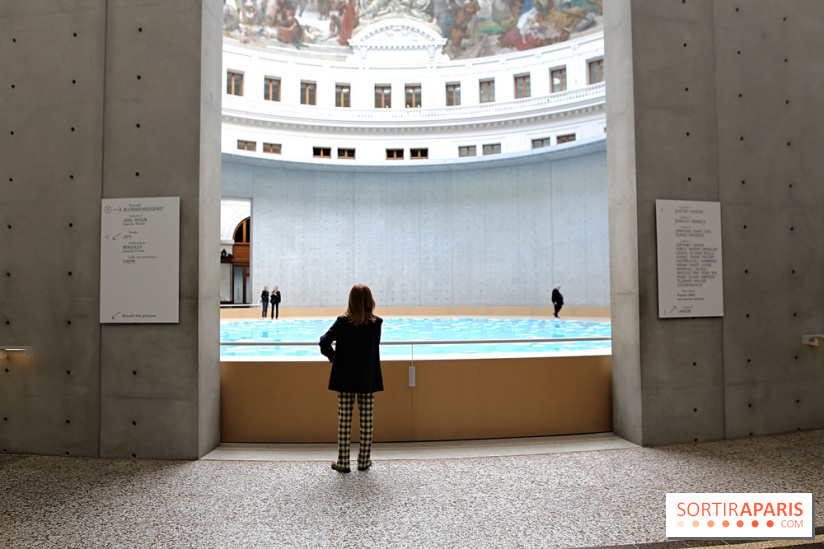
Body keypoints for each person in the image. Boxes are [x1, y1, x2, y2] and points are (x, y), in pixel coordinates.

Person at [319, 284, 383, 473]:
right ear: (370, 300)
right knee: (367, 420)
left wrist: (332, 356)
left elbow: (324, 341)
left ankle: (343, 462)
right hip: (368, 376)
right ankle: (363, 461)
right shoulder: (376, 323)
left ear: (351, 301)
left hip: (345, 376)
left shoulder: (342, 322)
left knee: (344, 420)